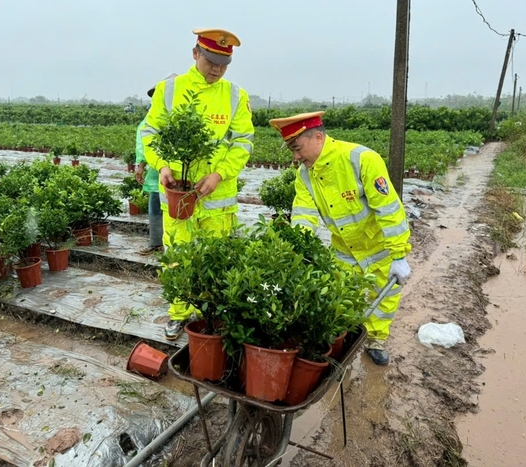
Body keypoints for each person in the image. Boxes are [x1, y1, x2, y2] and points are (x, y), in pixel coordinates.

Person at [269, 111, 412, 366]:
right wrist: (296, 252)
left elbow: (389, 210)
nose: (296, 156)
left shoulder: (361, 159)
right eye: (292, 150)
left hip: (379, 249)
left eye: (298, 148)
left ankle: (376, 340)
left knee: (382, 300)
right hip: (344, 251)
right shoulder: (305, 175)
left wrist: (399, 255)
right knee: (343, 302)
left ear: (318, 137)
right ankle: (346, 339)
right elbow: (304, 214)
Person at [140, 28, 254, 340]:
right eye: (211, 60)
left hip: (218, 198)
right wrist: (161, 165)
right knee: (177, 255)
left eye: (223, 63)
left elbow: (243, 142)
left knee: (215, 258)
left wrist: (219, 174)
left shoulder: (235, 95)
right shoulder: (170, 89)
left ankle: (209, 318)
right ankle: (178, 314)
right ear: (195, 54)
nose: (216, 69)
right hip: (179, 193)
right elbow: (150, 133)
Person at [134, 78, 176, 255]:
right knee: (156, 206)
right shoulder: (152, 118)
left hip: (180, 170)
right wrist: (140, 165)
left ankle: (171, 245)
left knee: (174, 209)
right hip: (157, 171)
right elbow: (144, 143)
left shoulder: (181, 115)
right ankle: (157, 242)